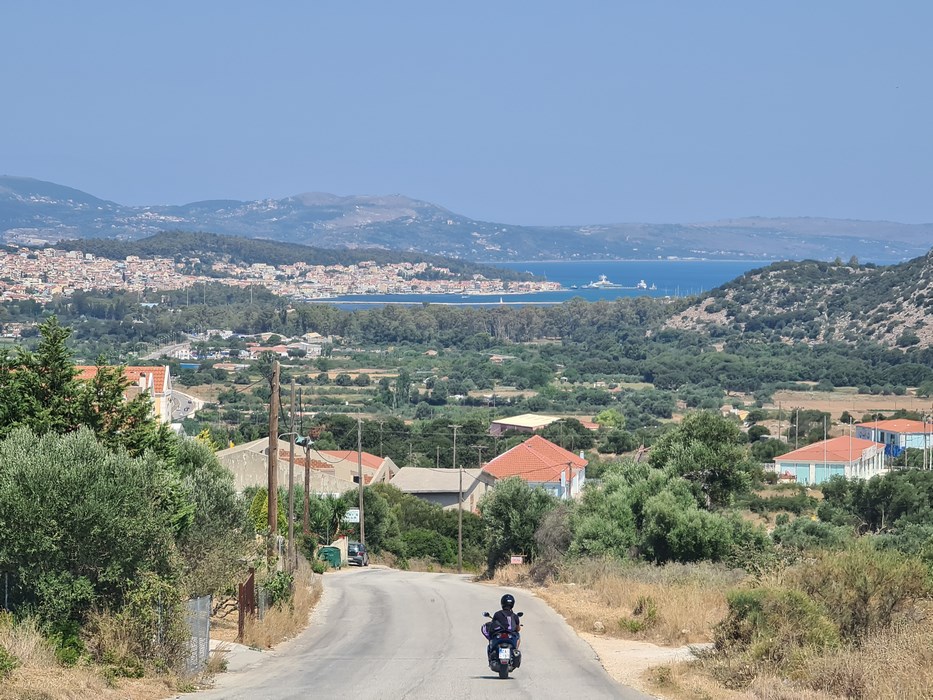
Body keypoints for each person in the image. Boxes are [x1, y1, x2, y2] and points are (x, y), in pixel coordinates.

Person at [486, 594, 522, 665]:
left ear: (502, 603)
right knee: (518, 637)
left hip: (499, 636)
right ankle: (515, 651)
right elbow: (518, 629)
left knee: (490, 644)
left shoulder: (497, 614)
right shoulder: (515, 616)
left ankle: (491, 656)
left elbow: (492, 626)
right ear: (512, 604)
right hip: (511, 636)